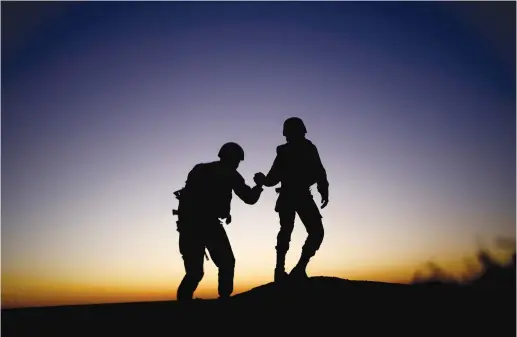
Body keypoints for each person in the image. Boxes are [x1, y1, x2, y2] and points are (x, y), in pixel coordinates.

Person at [173, 142, 265, 301]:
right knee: (227, 263)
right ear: (232, 159)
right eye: (237, 161)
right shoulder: (230, 174)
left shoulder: (199, 169)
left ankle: (183, 305)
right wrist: (259, 185)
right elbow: (249, 198)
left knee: (194, 273)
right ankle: (224, 300)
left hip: (188, 226)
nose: (237, 165)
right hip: (207, 225)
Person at [255, 117, 329, 282]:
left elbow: (319, 170)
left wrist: (324, 189)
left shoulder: (304, 148)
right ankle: (284, 270)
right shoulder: (286, 151)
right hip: (293, 195)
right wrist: (263, 180)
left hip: (298, 195)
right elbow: (273, 177)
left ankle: (294, 269)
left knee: (308, 232)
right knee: (291, 231)